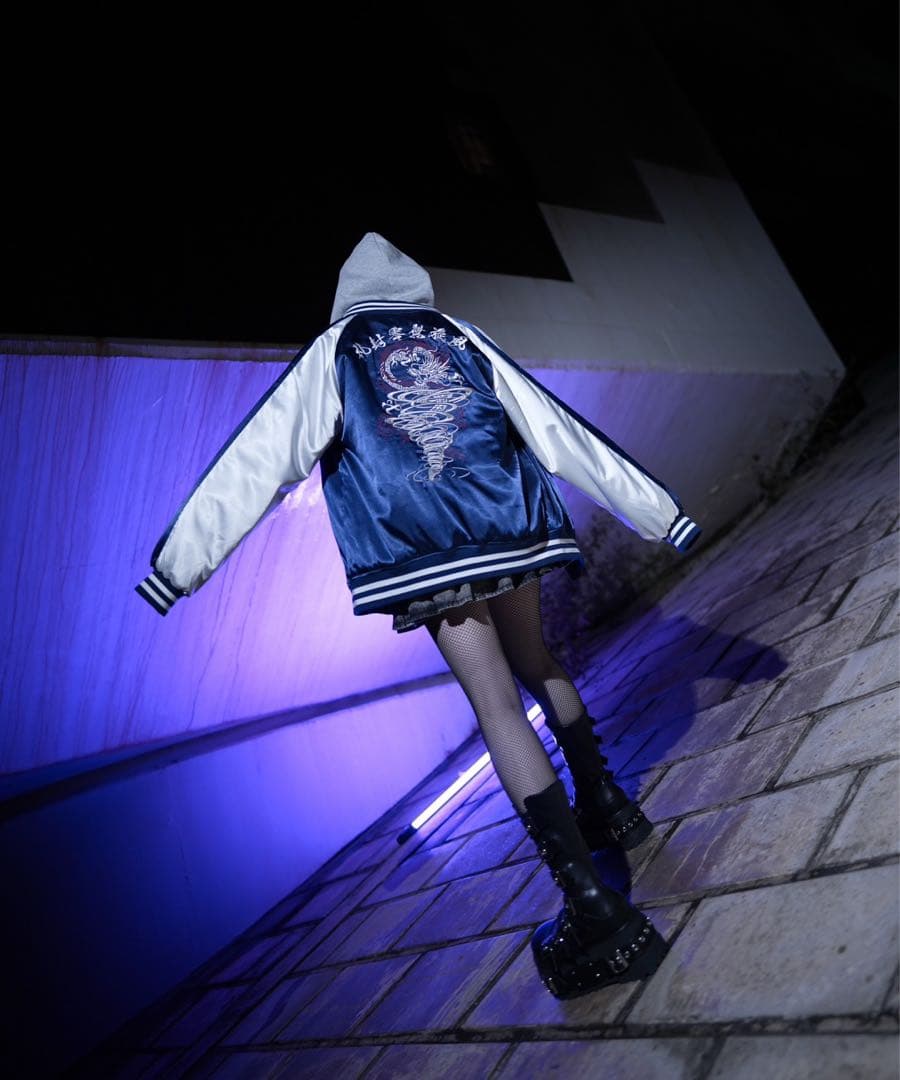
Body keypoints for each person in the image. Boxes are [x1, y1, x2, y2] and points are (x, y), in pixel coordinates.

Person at [135, 232, 701, 999]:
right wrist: (660, 512)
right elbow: (553, 424)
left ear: (348, 296)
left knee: (496, 705)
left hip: (428, 550)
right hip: (509, 524)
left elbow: (257, 460)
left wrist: (175, 570)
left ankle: (595, 911)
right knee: (539, 662)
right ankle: (607, 805)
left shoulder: (336, 351)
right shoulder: (458, 334)